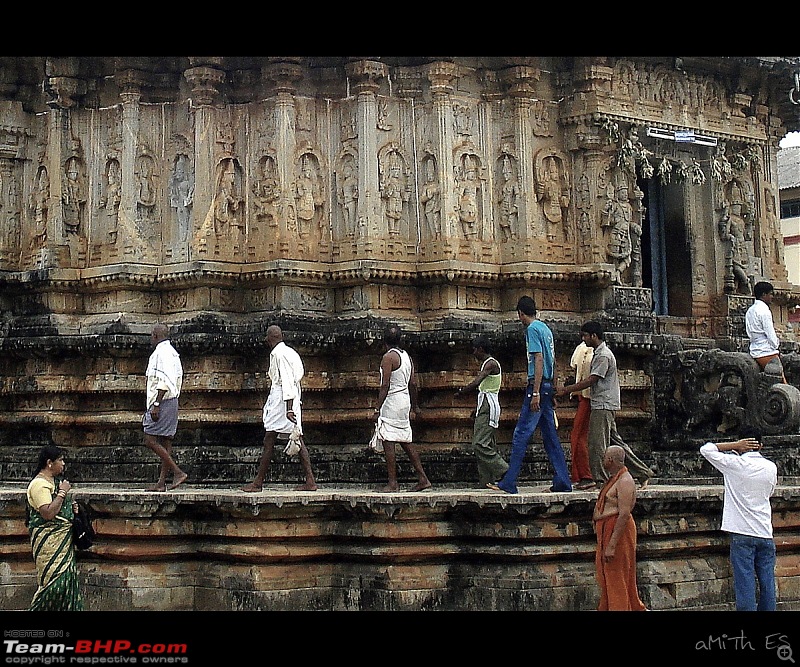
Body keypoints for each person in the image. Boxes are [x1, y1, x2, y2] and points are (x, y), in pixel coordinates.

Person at [489, 296, 572, 494]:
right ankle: (563, 481)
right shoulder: (546, 329)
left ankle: (509, 482)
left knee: (521, 434)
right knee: (550, 437)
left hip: (537, 386)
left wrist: (535, 392)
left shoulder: (532, 330)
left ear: (520, 313)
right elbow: (554, 359)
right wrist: (552, 388)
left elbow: (539, 359)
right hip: (546, 386)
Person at [557, 321, 653, 488]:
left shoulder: (603, 356)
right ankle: (642, 472)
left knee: (596, 444)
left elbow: (592, 379)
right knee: (616, 443)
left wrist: (567, 390)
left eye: (585, 335)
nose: (583, 339)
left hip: (602, 404)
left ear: (594, 336)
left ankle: (602, 481)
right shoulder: (599, 353)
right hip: (603, 403)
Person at [700, 432, 777, 611]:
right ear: (761, 446)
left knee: (745, 584)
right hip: (765, 531)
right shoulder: (771, 467)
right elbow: (769, 492)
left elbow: (706, 449)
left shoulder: (735, 464)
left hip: (742, 533)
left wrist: (733, 444)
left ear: (741, 446)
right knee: (767, 583)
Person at [242, 325, 317, 492]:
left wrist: (289, 408)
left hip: (283, 400)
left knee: (270, 438)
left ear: (269, 339)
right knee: (296, 438)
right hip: (288, 397)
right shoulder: (290, 352)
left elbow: (288, 381)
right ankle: (310, 480)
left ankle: (258, 482)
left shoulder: (279, 355)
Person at [373, 325, 431, 492]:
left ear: (384, 342)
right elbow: (413, 383)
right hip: (404, 400)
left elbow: (385, 385)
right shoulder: (407, 357)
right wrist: (415, 405)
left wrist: (377, 408)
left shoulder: (388, 357)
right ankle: (422, 477)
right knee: (405, 439)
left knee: (388, 440)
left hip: (391, 401)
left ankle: (393, 483)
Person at [25, 445, 84, 611]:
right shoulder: (39, 485)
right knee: (53, 585)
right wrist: (62, 493)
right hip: (49, 545)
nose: (63, 464)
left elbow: (59, 511)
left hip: (64, 544)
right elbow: (48, 513)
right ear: (49, 463)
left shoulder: (56, 482)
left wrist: (72, 510)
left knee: (68, 581)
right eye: (60, 460)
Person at [592, 445, 647, 611]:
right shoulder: (614, 479)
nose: (602, 461)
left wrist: (612, 545)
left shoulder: (625, 481)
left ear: (610, 460)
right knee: (607, 576)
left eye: (604, 458)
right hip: (607, 529)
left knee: (618, 576)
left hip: (618, 532)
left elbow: (624, 514)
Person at [455, 335, 509, 487]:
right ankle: (486, 480)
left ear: (480, 349)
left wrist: (462, 391)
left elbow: (478, 381)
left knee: (479, 444)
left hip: (488, 405)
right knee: (487, 444)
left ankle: (504, 470)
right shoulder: (488, 363)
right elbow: (483, 388)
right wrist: (476, 409)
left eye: (474, 349)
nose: (473, 353)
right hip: (484, 404)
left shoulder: (490, 363)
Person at [142, 324, 187, 491]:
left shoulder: (161, 354)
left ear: (155, 335)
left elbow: (163, 381)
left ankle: (177, 472)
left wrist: (156, 404)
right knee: (165, 440)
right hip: (172, 400)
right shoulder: (173, 353)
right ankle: (161, 483)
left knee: (150, 439)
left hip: (162, 401)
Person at [568, 340, 594, 490]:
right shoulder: (582, 348)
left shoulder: (600, 353)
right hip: (583, 397)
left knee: (579, 437)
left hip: (593, 398)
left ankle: (586, 475)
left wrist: (568, 389)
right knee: (578, 436)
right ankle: (581, 474)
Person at [746, 281, 785, 379]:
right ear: (764, 294)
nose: (772, 297)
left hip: (754, 350)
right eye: (770, 294)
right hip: (766, 352)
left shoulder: (750, 310)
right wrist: (776, 344)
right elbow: (770, 335)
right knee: (782, 384)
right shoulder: (764, 311)